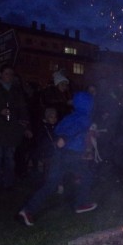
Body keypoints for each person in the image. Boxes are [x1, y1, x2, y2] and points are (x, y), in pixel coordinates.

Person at [18, 92, 97, 226]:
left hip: (59, 154)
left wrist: (60, 138)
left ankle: (27, 210)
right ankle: (81, 204)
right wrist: (66, 138)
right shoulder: (85, 117)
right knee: (87, 175)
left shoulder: (70, 117)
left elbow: (58, 129)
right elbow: (77, 128)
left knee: (51, 184)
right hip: (71, 155)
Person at [0, 65, 32, 191]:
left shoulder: (16, 89)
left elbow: (23, 108)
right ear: (0, 74)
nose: (9, 76)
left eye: (11, 74)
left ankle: (8, 182)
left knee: (9, 157)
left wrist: (24, 125)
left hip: (12, 129)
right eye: (6, 73)